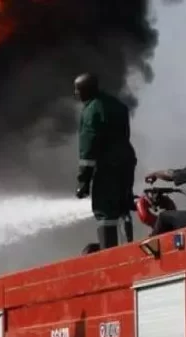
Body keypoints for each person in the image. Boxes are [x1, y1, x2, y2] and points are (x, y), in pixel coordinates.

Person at [73, 73, 138, 249]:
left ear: (86, 90)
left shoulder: (91, 110)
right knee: (123, 206)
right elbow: (125, 135)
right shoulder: (118, 105)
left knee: (105, 211)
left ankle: (109, 253)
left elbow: (88, 148)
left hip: (108, 167)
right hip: (127, 161)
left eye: (78, 90)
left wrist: (83, 182)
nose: (76, 93)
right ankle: (129, 249)